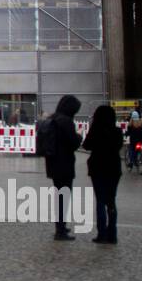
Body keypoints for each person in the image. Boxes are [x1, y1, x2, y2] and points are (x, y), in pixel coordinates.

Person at [39, 94, 83, 240]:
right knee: (64, 196)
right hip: (64, 164)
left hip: (52, 163)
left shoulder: (53, 118)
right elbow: (73, 142)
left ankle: (60, 226)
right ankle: (60, 230)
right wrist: (79, 137)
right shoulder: (66, 122)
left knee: (60, 196)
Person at [83, 104, 122, 243]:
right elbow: (119, 146)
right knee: (111, 201)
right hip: (114, 168)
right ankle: (113, 234)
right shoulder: (117, 131)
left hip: (98, 168)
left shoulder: (95, 131)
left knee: (100, 200)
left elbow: (86, 145)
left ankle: (102, 234)